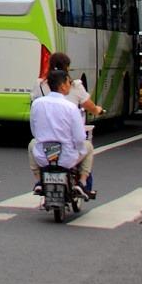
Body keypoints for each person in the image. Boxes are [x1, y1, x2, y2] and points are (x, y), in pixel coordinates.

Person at [30, 69, 94, 198]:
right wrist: (79, 148)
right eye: (69, 82)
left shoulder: (37, 104)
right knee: (88, 147)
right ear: (63, 85)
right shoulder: (70, 107)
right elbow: (79, 137)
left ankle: (38, 181)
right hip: (67, 157)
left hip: (44, 156)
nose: (70, 85)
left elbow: (34, 130)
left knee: (32, 144)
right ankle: (82, 182)